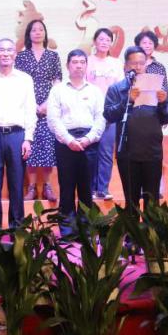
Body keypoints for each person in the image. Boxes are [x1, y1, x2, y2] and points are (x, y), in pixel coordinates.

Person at [0, 38, 38, 227]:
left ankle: (17, 228)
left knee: (17, 183)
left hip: (17, 135)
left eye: (9, 50)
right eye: (1, 50)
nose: (5, 54)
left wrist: (28, 139)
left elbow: (30, 110)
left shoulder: (25, 79)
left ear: (15, 54)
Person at [103, 46, 168, 214]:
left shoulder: (157, 87)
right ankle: (131, 230)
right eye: (134, 63)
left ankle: (150, 230)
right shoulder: (116, 89)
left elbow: (166, 118)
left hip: (152, 151)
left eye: (142, 63)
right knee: (131, 201)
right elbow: (109, 115)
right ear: (125, 66)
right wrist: (128, 99)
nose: (138, 67)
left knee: (152, 202)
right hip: (128, 152)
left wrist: (163, 103)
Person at [47, 49, 107, 237]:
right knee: (66, 187)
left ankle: (86, 230)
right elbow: (53, 119)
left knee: (86, 188)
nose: (79, 65)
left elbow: (101, 118)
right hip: (65, 142)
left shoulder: (95, 91)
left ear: (86, 65)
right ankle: (67, 231)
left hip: (90, 142)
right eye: (75, 62)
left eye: (82, 62)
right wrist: (69, 140)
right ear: (68, 65)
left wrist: (89, 138)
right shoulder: (58, 90)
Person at [15, 19, 62, 203]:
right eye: (33, 30)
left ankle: (47, 186)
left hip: (49, 105)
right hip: (27, 104)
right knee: (31, 147)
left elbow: (57, 81)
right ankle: (32, 188)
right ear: (29, 34)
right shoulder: (21, 56)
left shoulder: (53, 56)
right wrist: (33, 105)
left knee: (48, 146)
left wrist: (47, 104)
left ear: (45, 33)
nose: (37, 32)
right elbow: (17, 82)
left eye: (41, 29)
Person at [86, 27, 123, 202]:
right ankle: (90, 189)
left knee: (106, 152)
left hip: (109, 112)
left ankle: (103, 188)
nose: (104, 42)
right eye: (101, 39)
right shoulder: (87, 61)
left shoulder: (116, 63)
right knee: (91, 151)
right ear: (95, 41)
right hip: (90, 113)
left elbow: (121, 88)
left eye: (108, 40)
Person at [134, 30, 168, 198]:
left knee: (155, 151)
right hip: (136, 114)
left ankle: (156, 187)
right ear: (138, 45)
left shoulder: (159, 67)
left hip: (154, 113)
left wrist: (165, 109)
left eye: (150, 43)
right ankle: (140, 187)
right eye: (144, 43)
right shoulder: (133, 65)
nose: (147, 46)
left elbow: (165, 89)